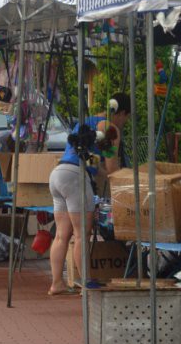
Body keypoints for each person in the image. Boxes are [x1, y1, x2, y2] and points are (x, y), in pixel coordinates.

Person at [46, 93, 131, 296]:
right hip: (76, 178)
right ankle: (86, 283)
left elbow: (91, 162)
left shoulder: (87, 123)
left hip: (58, 174)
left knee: (61, 235)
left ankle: (57, 283)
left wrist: (101, 172)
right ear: (121, 113)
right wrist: (129, 180)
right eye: (126, 117)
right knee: (82, 234)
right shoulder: (110, 129)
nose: (125, 123)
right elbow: (112, 168)